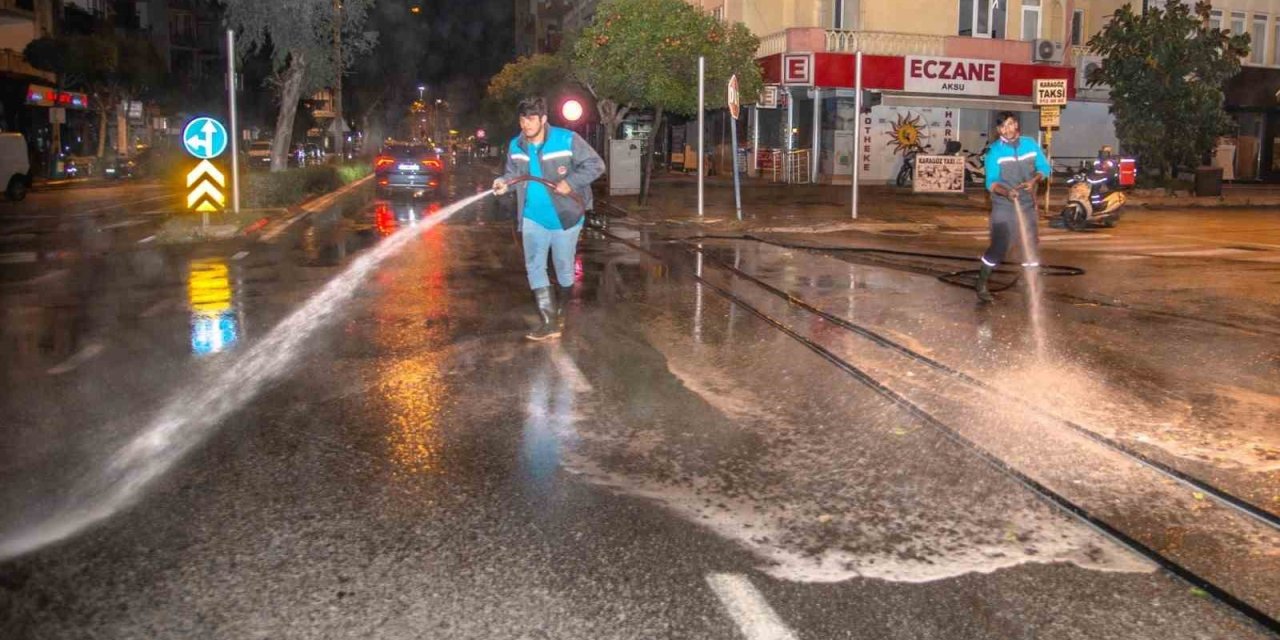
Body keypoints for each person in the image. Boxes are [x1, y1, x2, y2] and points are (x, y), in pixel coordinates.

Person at [493, 96, 606, 341]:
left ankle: (561, 311)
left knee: (564, 267)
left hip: (566, 216)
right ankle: (549, 322)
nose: (526, 124)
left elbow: (596, 165)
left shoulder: (567, 140)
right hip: (532, 216)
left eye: (531, 119)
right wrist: (503, 183)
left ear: (543, 119)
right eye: (522, 119)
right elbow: (513, 175)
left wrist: (571, 182)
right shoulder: (516, 145)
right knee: (534, 266)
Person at [976, 111, 1051, 303]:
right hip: (1004, 205)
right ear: (998, 130)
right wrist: (1006, 192)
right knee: (1000, 246)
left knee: (1030, 244)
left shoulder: (1030, 144)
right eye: (1002, 126)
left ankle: (1028, 282)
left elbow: (1044, 168)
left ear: (1016, 124)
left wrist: (1034, 180)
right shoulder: (994, 151)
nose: (1007, 129)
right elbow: (991, 182)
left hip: (1027, 204)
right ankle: (982, 283)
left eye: (1010, 124)